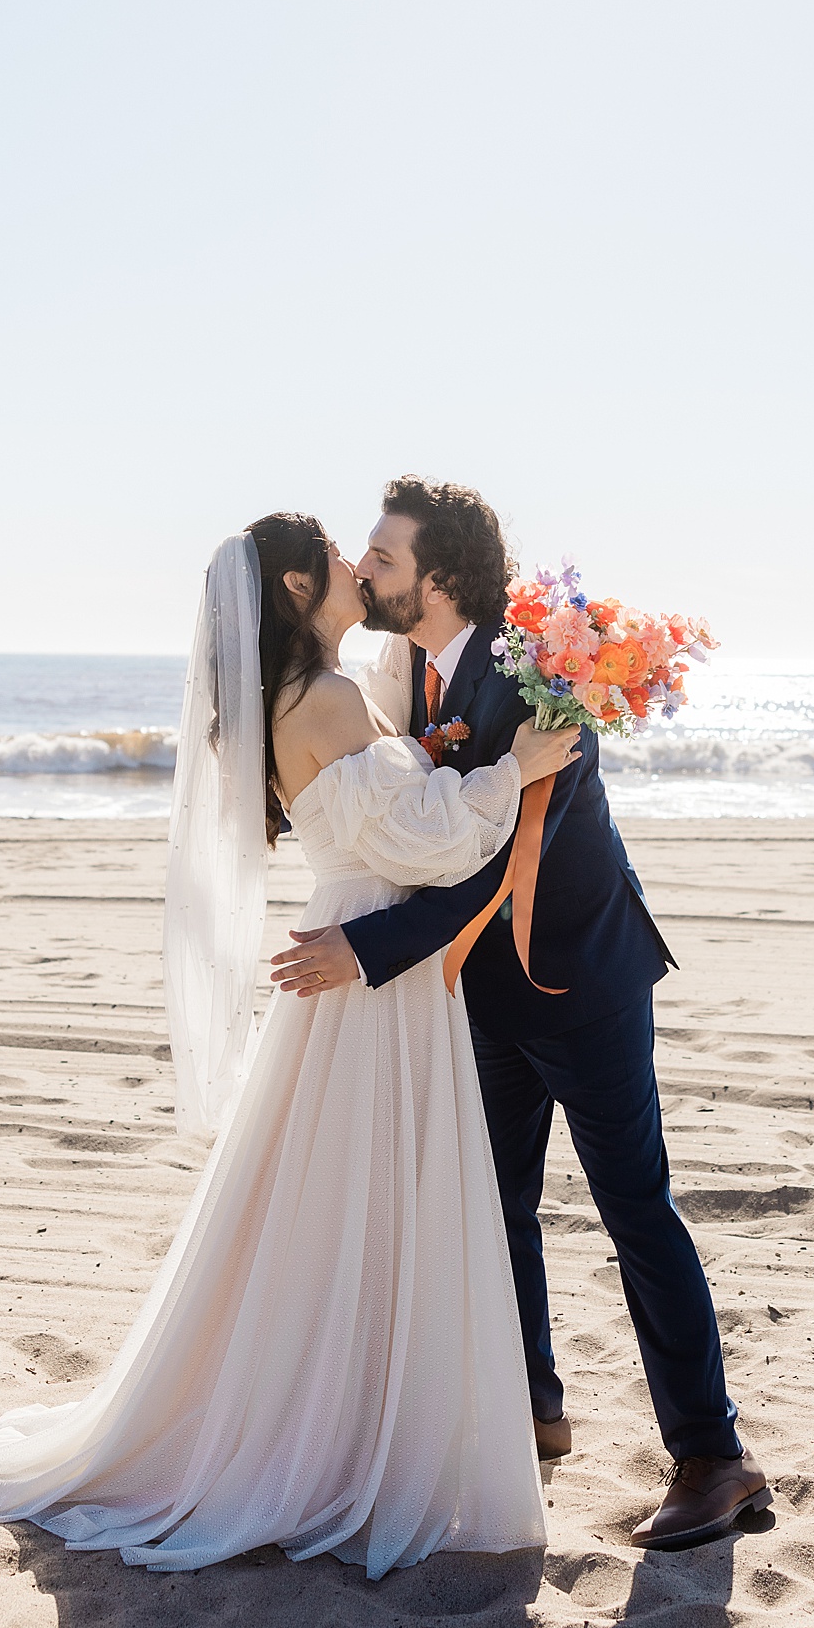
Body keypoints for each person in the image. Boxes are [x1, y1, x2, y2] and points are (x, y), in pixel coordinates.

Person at [0, 514, 581, 1579]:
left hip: (357, 948)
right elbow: (426, 838)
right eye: (333, 548)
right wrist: (515, 764)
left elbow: (374, 807)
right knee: (370, 1194)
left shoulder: (312, 693)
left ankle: (350, 1412)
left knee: (337, 1200)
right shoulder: (322, 696)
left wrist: (431, 755)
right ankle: (347, 1433)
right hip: (369, 971)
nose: (352, 563)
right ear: (293, 581)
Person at [269, 476, 767, 1551]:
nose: (367, 570)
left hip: (581, 977)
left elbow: (502, 853)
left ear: (442, 576)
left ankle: (714, 1456)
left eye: (386, 558)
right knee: (495, 1212)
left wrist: (365, 946)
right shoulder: (391, 666)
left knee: (637, 1208)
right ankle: (532, 1414)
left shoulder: (537, 673)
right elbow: (395, 816)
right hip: (478, 990)